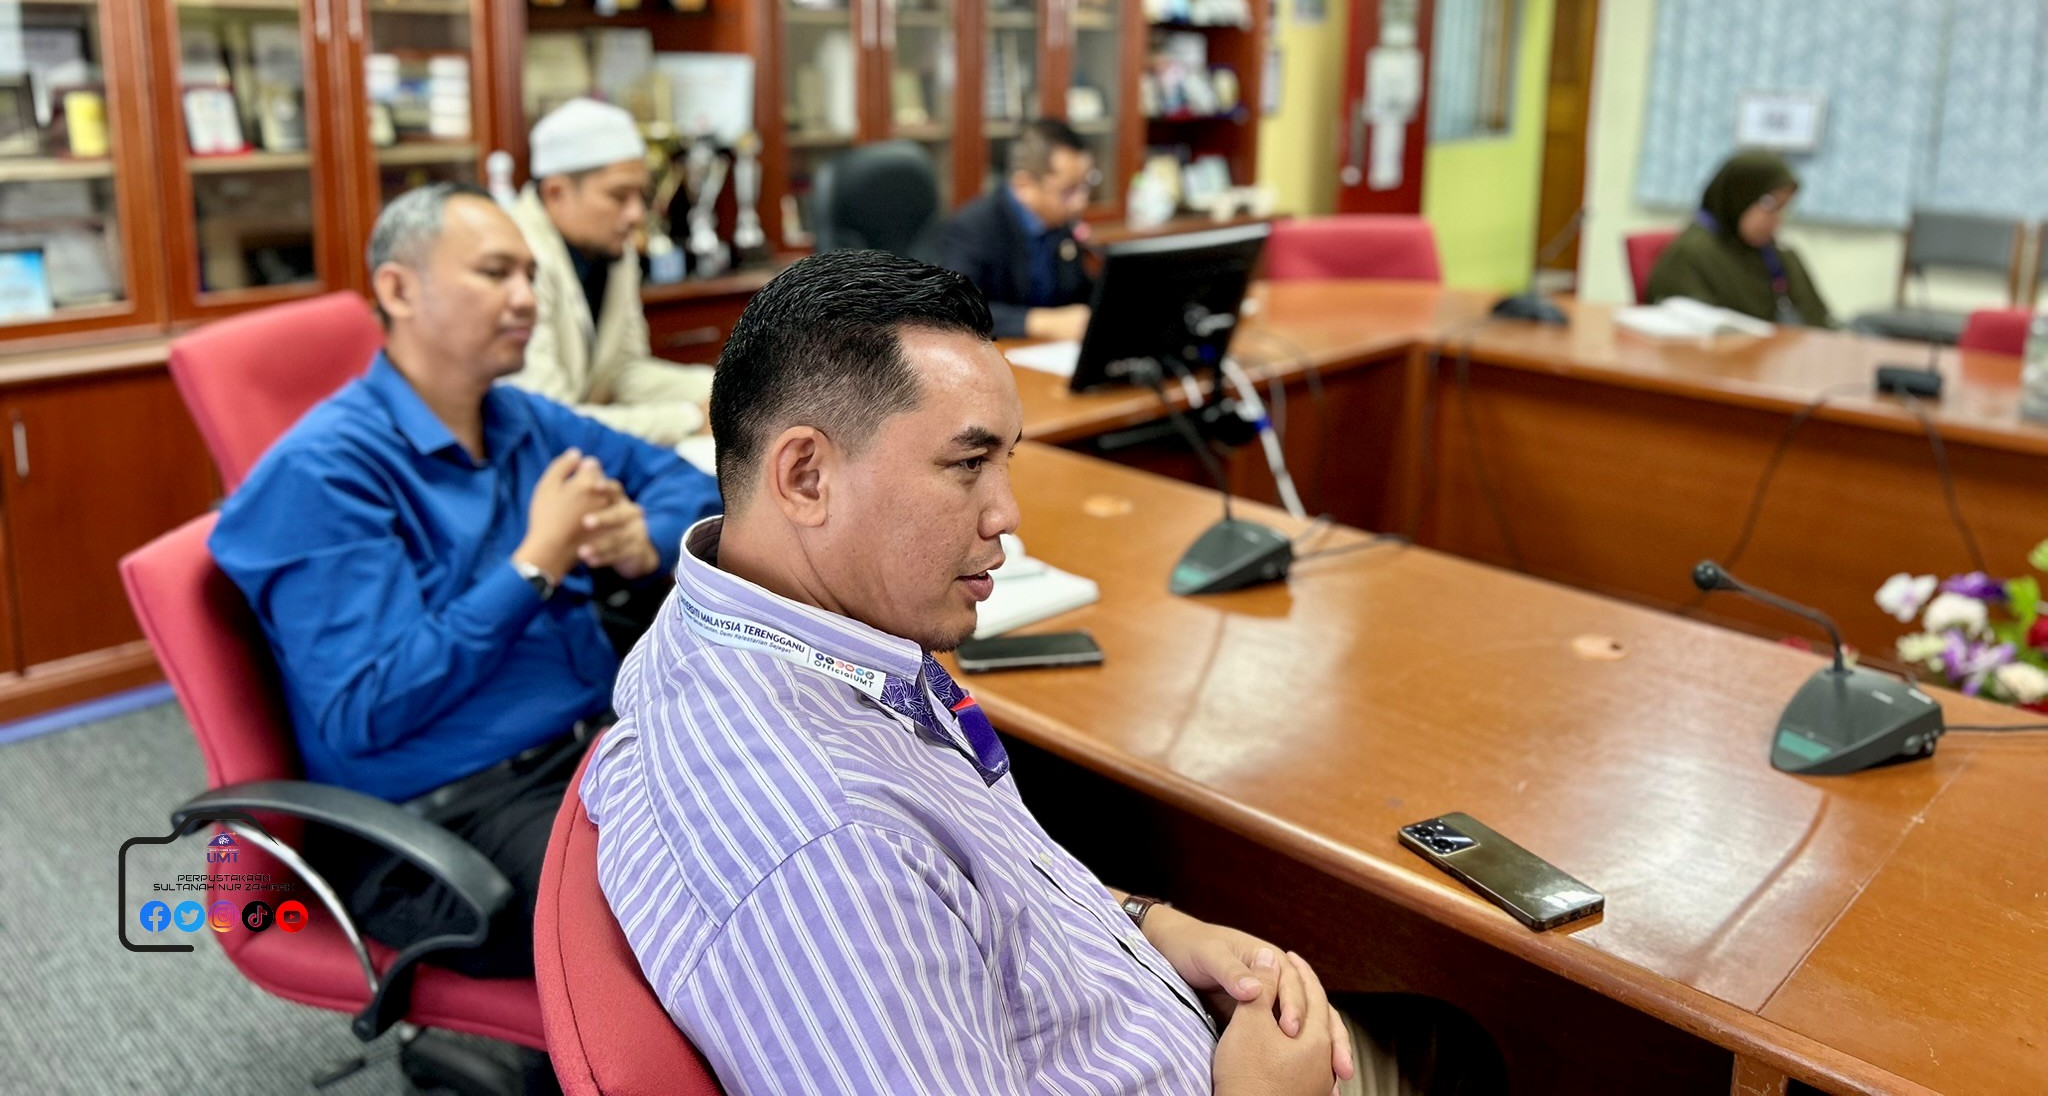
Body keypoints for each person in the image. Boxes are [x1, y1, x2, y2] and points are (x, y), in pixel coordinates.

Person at [583, 251, 1503, 1094]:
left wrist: (1151, 926)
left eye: (1007, 461)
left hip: (1131, 1006)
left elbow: (987, 887)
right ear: (805, 477)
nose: (1007, 514)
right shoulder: (828, 853)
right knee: (1456, 1052)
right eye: (968, 463)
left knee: (1448, 1038)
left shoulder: (736, 617)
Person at [211, 182, 720, 977]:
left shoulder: (519, 418)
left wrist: (641, 540)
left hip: (592, 749)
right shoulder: (323, 475)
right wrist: (534, 565)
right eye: (494, 274)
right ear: (398, 289)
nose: (527, 299)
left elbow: (683, 485)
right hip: (448, 824)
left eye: (530, 276)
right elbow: (367, 705)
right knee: (708, 914)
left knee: (796, 828)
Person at [507, 96, 712, 445]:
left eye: (641, 195)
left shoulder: (613, 247)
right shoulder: (512, 260)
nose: (636, 214)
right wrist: (689, 419)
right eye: (619, 196)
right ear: (556, 193)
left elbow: (624, 374)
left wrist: (728, 391)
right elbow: (549, 421)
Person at [942, 116, 1096, 340]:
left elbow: (1079, 292)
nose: (1081, 202)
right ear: (1024, 185)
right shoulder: (973, 228)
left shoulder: (1063, 224)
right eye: (1068, 191)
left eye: (1086, 186)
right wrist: (1040, 323)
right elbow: (957, 309)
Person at [1647, 149, 1832, 327]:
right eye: (1769, 204)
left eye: (1783, 208)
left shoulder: (1779, 256)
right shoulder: (1690, 254)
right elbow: (1690, 330)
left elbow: (1820, 324)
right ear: (1738, 195)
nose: (1776, 219)